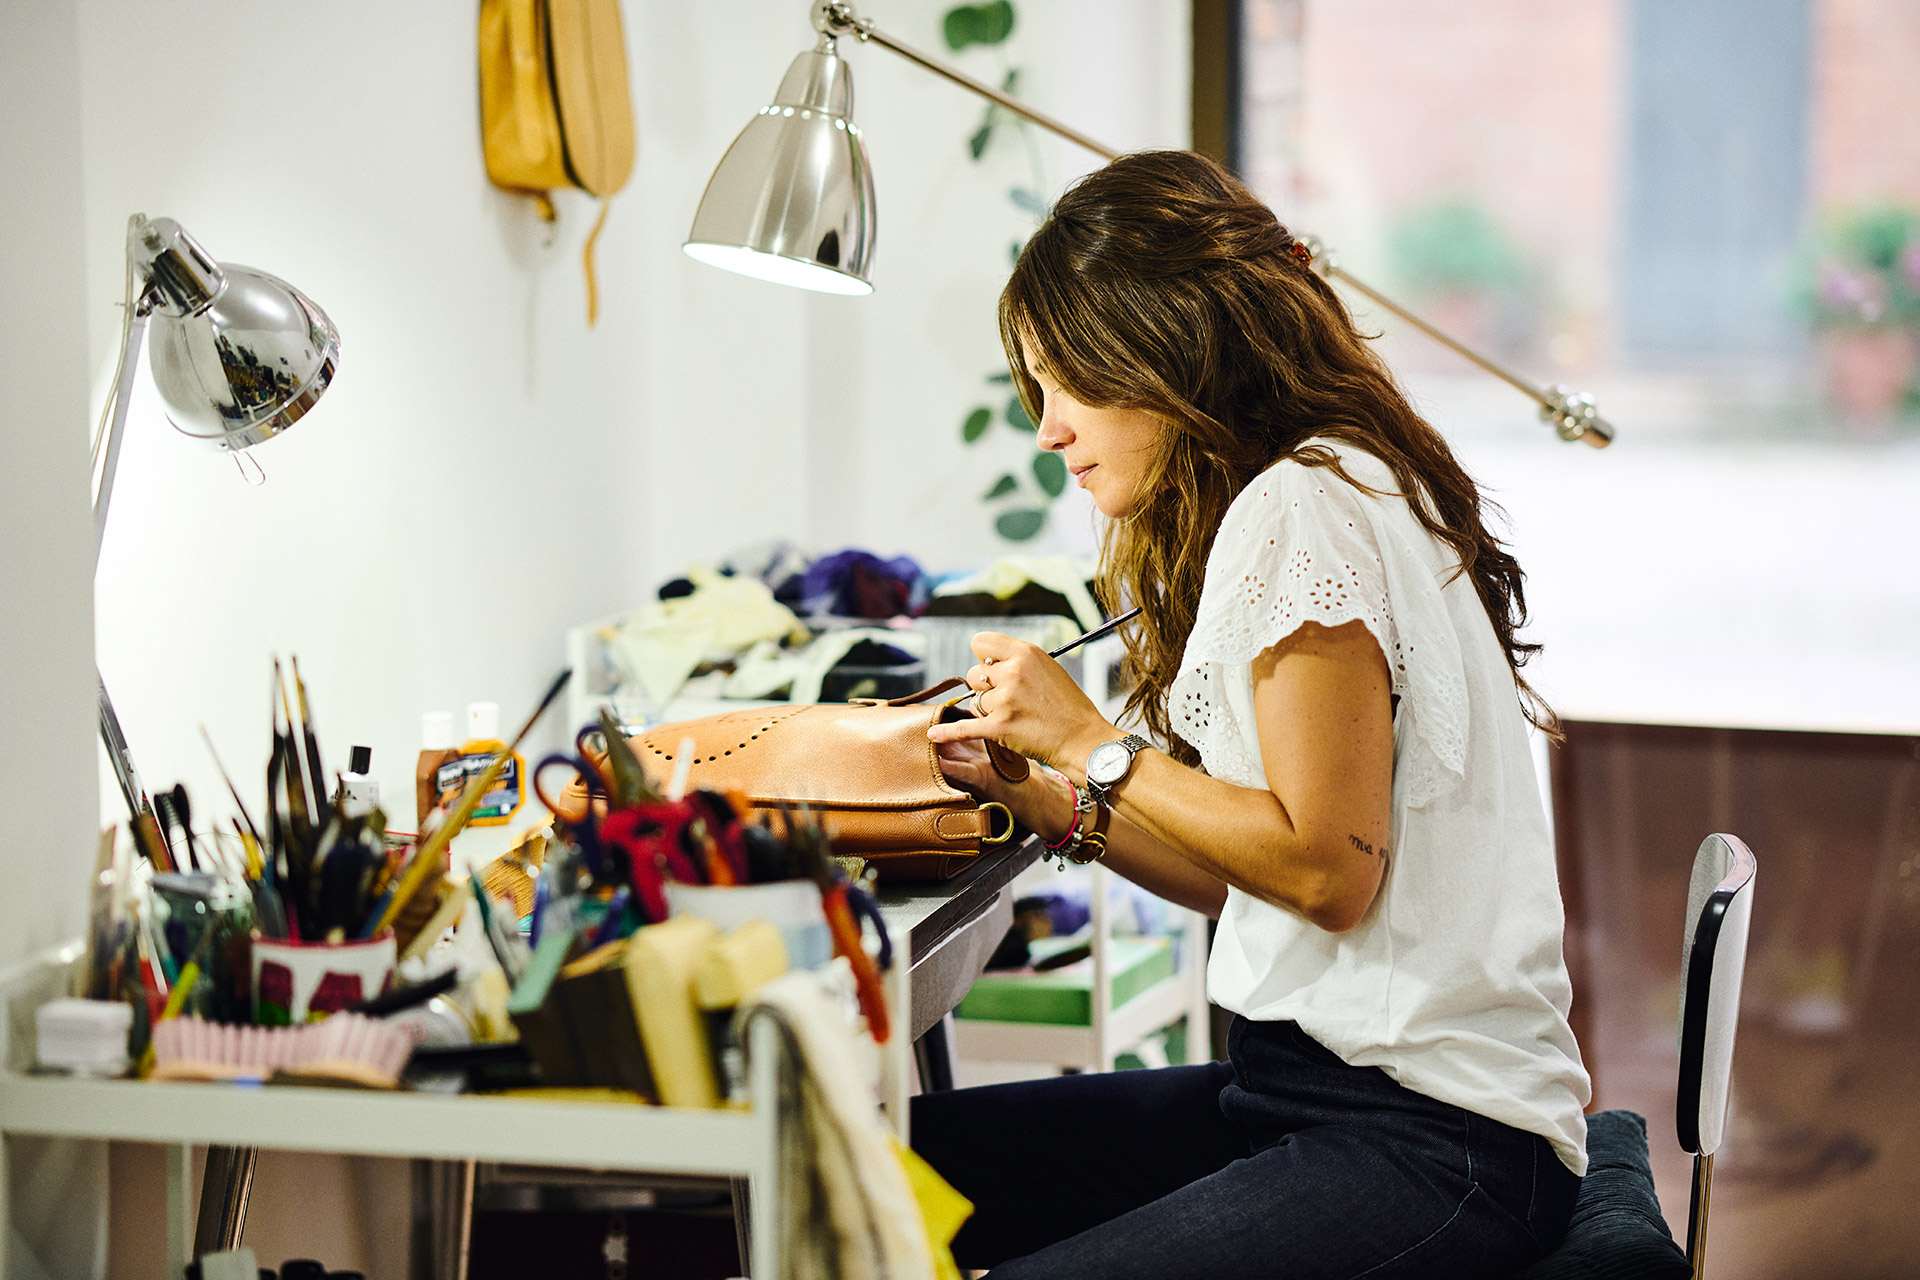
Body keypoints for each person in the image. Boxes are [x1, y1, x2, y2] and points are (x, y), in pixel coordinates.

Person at [917, 150, 1591, 1280]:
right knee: (904, 1165)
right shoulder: (1331, 484)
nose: (1048, 427)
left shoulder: (1304, 507)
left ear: (1159, 345)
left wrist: (1091, 741)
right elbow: (1254, 877)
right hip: (1313, 1091)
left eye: (1066, 380)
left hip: (1435, 1140)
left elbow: (1329, 869)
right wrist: (1044, 794)